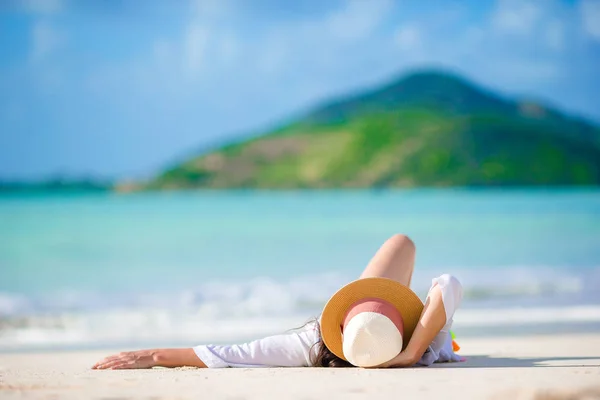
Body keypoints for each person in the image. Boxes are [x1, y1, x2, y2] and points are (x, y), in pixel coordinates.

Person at [92, 234, 463, 370]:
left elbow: (227, 353)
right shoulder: (423, 337)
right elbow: (448, 284)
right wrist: (411, 352)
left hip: (375, 339)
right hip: (402, 341)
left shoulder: (309, 343)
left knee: (400, 243)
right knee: (402, 242)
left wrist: (153, 355)